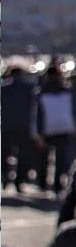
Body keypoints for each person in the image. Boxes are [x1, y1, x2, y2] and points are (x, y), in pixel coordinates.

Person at [34, 64, 76, 195]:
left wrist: (38, 132)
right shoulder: (67, 90)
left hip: (46, 129)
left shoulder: (40, 92)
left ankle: (42, 183)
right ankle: (57, 185)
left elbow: (37, 114)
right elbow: (74, 110)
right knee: (60, 159)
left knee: (44, 158)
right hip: (64, 128)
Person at [2, 64, 38, 193]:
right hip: (24, 126)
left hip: (6, 126)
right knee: (23, 156)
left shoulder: (3, 88)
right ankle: (19, 181)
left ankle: (4, 178)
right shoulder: (29, 88)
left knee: (5, 155)